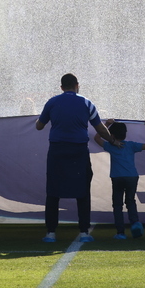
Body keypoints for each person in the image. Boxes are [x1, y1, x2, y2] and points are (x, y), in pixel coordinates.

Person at [35, 73, 118, 243]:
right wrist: (113, 141)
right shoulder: (86, 103)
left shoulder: (52, 102)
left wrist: (44, 118)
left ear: (61, 87)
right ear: (77, 85)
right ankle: (84, 233)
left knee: (53, 192)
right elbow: (101, 130)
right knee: (82, 191)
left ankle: (50, 233)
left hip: (57, 151)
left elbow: (39, 126)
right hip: (79, 151)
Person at [94, 120, 145, 239]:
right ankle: (135, 223)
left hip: (117, 178)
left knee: (117, 205)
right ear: (125, 134)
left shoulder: (111, 145)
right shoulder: (131, 145)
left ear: (112, 135)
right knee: (130, 201)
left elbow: (97, 138)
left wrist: (107, 124)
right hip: (132, 177)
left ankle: (120, 233)